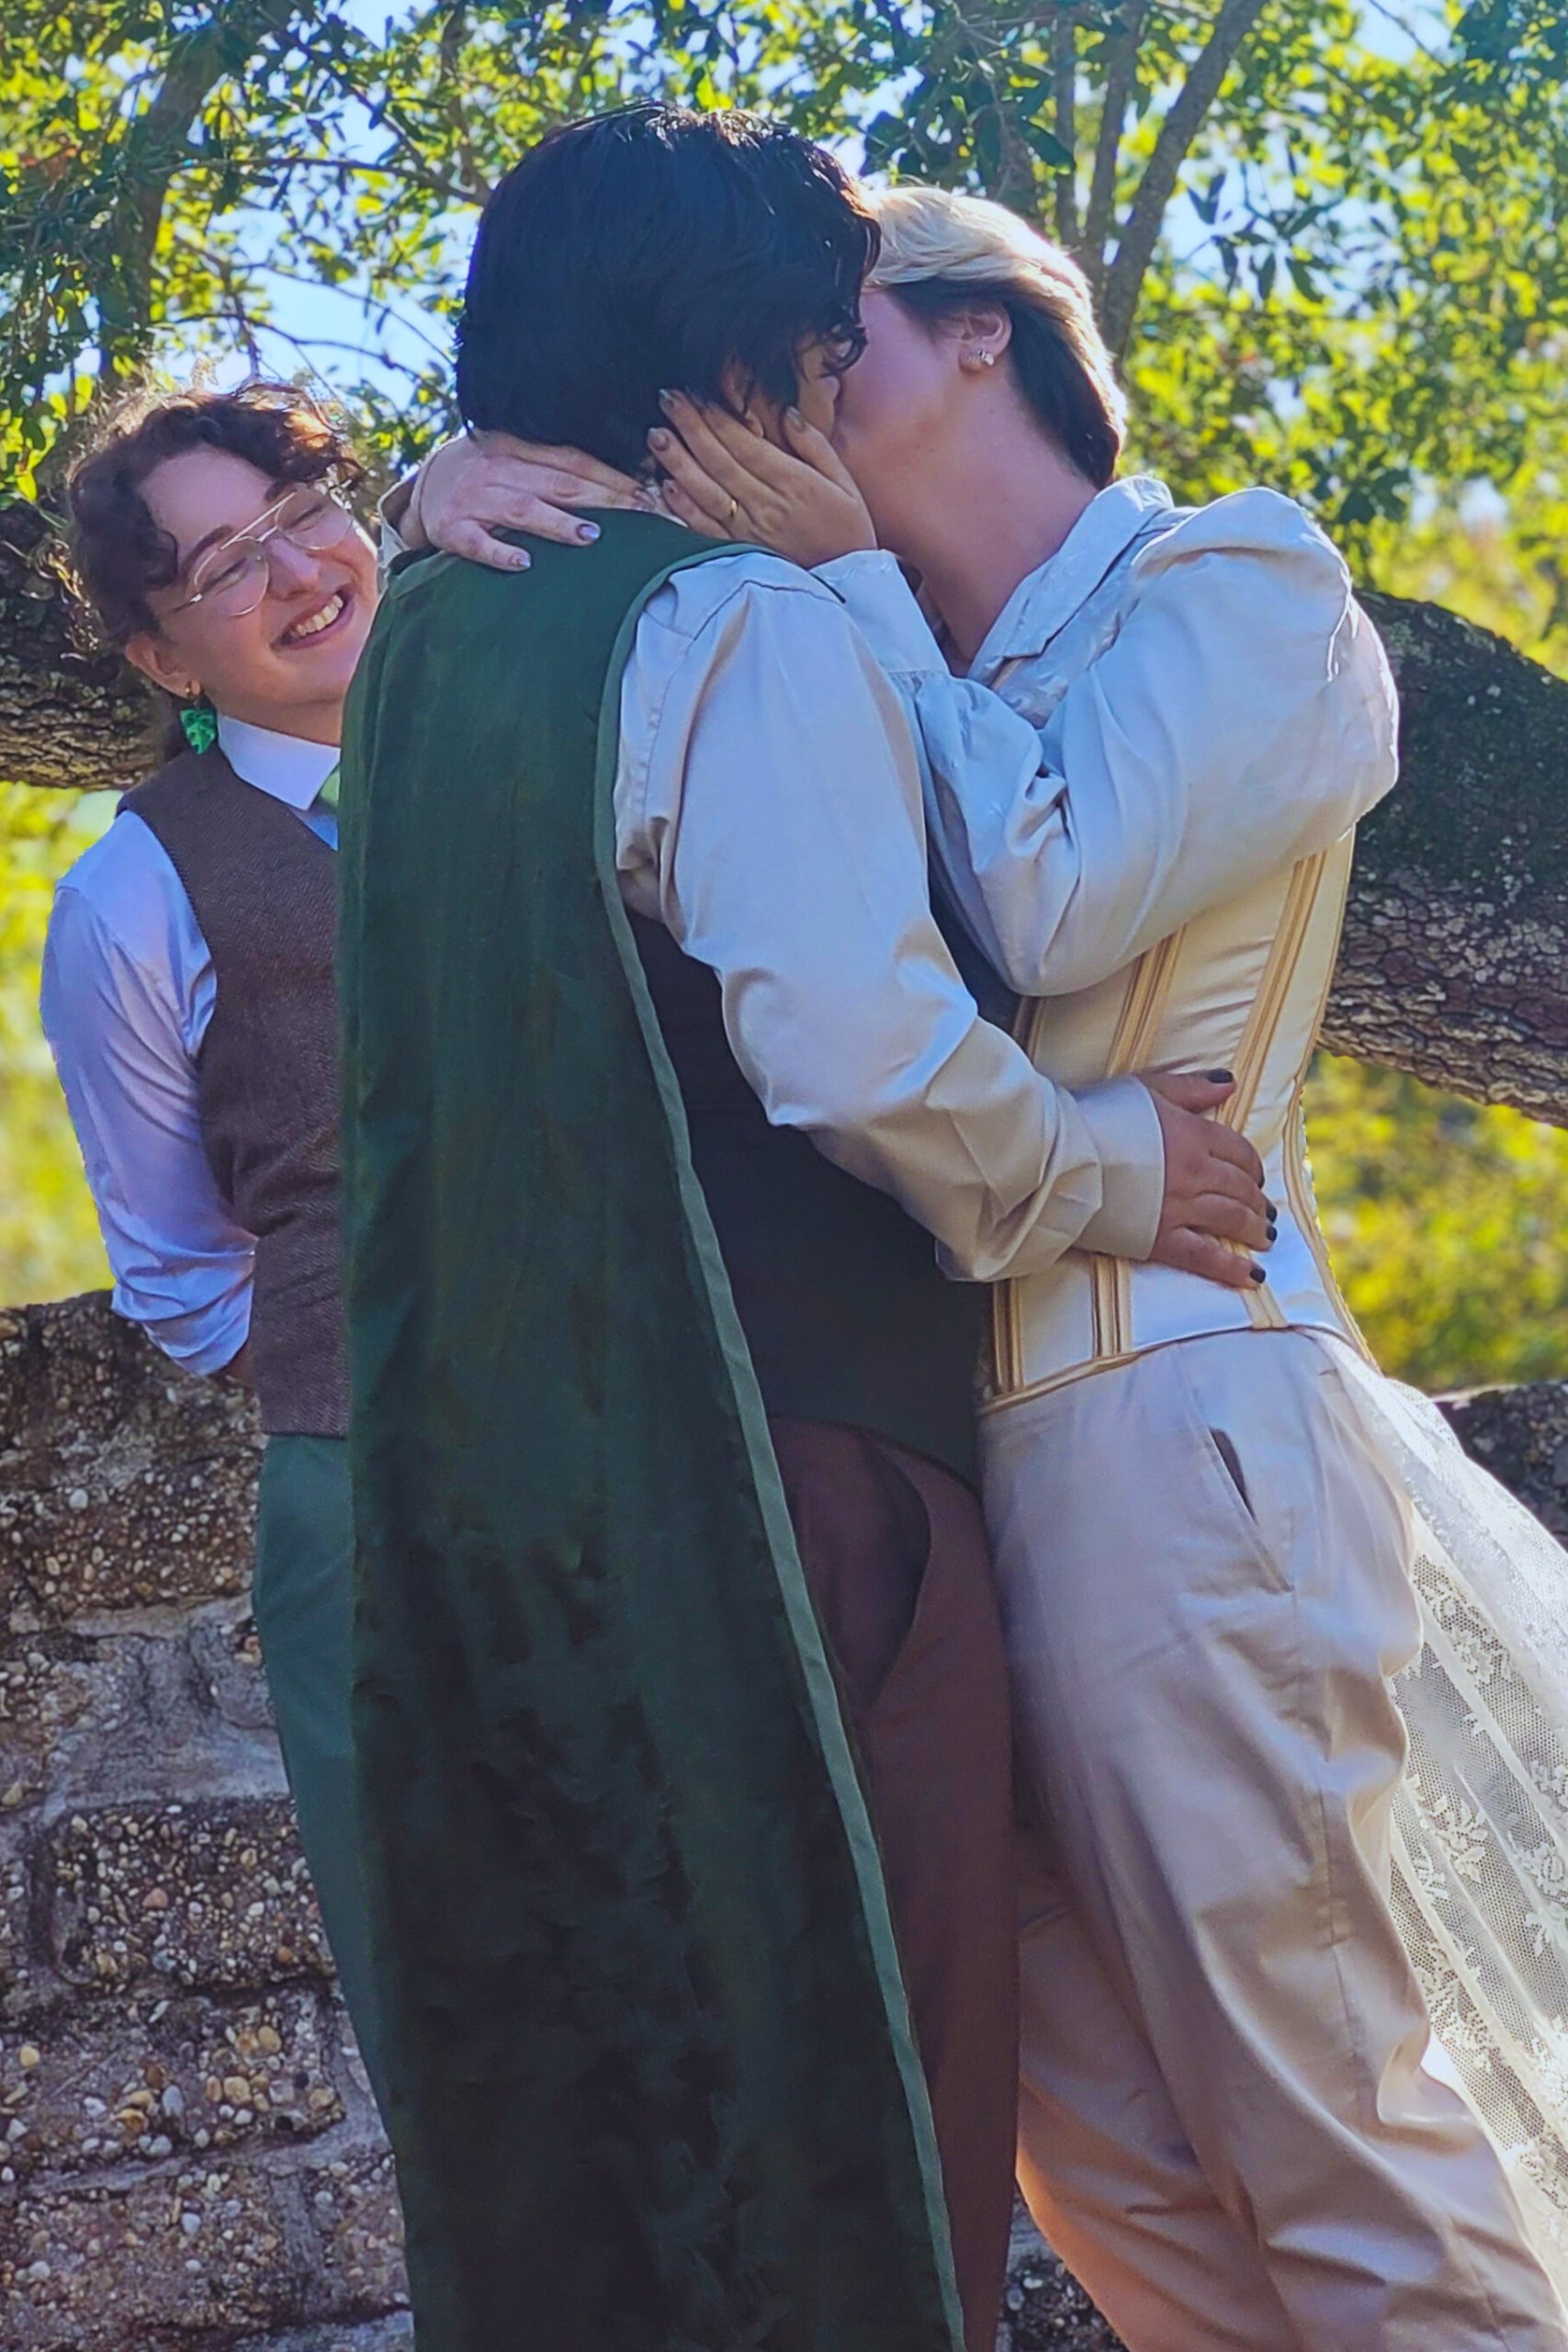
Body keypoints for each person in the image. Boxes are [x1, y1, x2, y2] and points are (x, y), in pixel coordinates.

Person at [412, 180, 1568, 2347]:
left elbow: (1049, 896)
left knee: (1323, 2139)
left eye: (825, 314)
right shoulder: (822, 636)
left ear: (980, 329)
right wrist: (449, 477)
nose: (773, 365)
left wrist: (848, 584)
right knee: (1123, 2194)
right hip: (932, 1488)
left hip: (1170, 1426)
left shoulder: (1241, 581)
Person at [339, 106, 1276, 2352]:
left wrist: (425, 478)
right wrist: (1115, 1163)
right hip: (782, 1479)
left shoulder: (427, 630)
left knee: (596, 2140)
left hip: (487, 1515)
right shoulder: (733, 620)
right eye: (817, 343)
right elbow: (858, 1056)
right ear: (737, 364)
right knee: (858, 2110)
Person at [40, 381, 389, 2113]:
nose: (298, 572)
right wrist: (350, 1353)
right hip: (377, 1490)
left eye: (305, 512)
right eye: (225, 564)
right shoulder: (132, 896)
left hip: (680, 1435)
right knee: (470, 2006)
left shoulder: (563, 749)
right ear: (161, 655)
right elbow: (182, 1274)